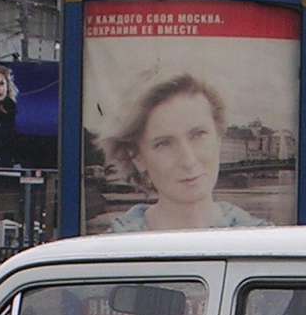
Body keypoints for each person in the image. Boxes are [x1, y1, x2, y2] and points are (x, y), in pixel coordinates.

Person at [101, 75, 269, 233]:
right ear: (137, 157)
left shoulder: (263, 239)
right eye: (164, 143)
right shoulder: (109, 251)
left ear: (219, 138)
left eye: (198, 135)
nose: (188, 160)